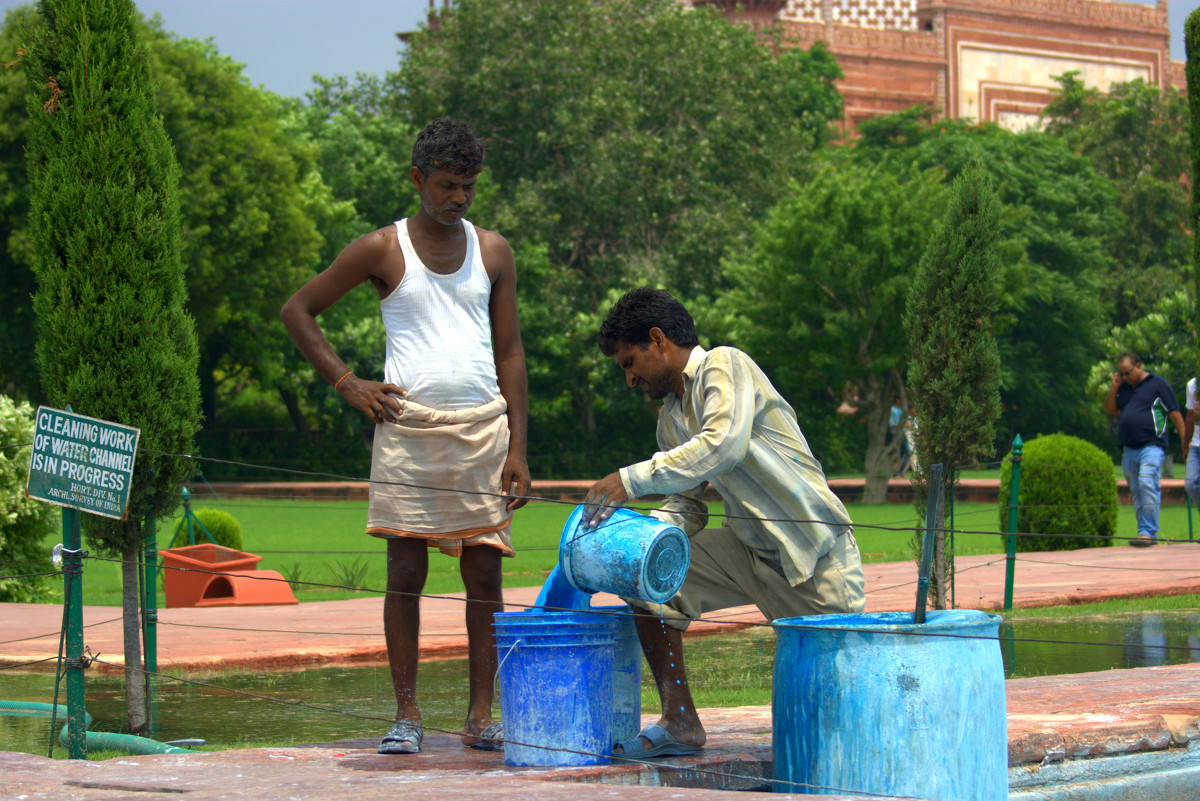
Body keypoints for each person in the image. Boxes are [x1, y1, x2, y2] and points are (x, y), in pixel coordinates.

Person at [280, 118, 529, 755]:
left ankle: (480, 717)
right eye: (447, 185)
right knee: (405, 570)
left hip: (482, 430)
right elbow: (298, 310)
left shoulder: (493, 251)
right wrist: (347, 383)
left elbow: (510, 351)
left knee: (483, 576)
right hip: (407, 429)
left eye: (469, 186)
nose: (460, 198)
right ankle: (407, 717)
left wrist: (520, 447)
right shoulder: (381, 250)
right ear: (417, 179)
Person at [582, 288, 865, 758]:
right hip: (748, 551)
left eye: (630, 362)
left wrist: (628, 480)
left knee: (841, 720)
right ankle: (681, 720)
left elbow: (722, 445)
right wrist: (644, 537)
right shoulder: (670, 420)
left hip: (811, 554)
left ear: (658, 340)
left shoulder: (725, 365)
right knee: (643, 576)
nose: (629, 379)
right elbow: (688, 505)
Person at [1103, 352, 1184, 547]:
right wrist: (1114, 388)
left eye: (1128, 373)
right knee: (1136, 489)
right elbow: (1110, 409)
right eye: (1121, 374)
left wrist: (1185, 439)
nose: (1125, 377)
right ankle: (1143, 533)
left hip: (1152, 445)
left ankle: (1148, 532)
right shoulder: (1123, 387)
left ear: (1138, 366)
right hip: (1129, 448)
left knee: (1147, 481)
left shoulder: (1158, 384)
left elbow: (1174, 411)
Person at [1185, 376, 1198, 507]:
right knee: (1190, 484)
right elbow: (1189, 416)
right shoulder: (1192, 384)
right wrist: (1185, 443)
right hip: (1196, 444)